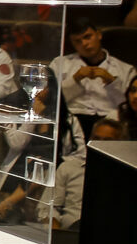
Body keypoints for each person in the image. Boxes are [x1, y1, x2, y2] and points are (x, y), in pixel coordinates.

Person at [54, 22, 135, 156]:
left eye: (87, 37)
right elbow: (52, 101)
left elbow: (129, 106)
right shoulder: (60, 64)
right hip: (73, 119)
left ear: (99, 35)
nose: (84, 44)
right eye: (77, 41)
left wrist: (111, 81)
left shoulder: (125, 69)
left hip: (111, 122)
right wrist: (75, 79)